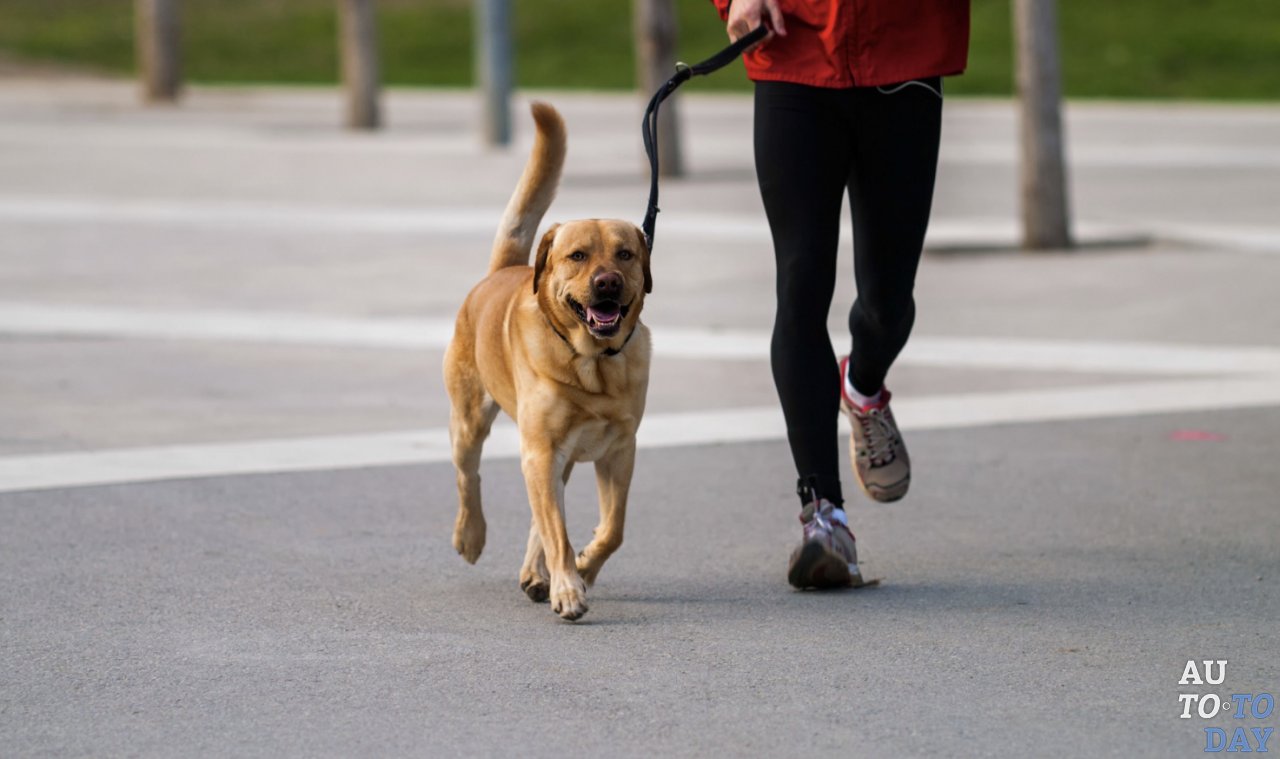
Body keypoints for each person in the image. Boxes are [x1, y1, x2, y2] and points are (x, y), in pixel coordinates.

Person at [711, 0, 971, 588]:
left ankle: (862, 385)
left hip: (905, 54)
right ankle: (824, 518)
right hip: (794, 57)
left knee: (888, 299)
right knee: (801, 284)